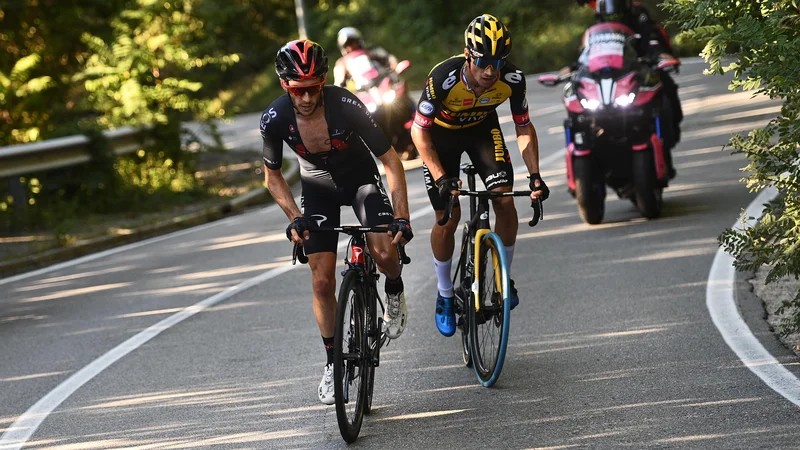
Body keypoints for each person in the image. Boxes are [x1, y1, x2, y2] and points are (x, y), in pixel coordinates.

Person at [262, 40, 413, 405]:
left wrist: (402, 217)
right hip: (318, 190)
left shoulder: (347, 105)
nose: (307, 97)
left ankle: (393, 290)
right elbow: (273, 176)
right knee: (322, 280)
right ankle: (333, 363)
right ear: (285, 85)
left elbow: (391, 162)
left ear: (324, 80)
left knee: (383, 250)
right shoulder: (275, 118)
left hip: (360, 180)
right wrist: (294, 218)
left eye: (314, 88)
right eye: (299, 90)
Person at [410, 14, 549, 337]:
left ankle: (503, 278)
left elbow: (523, 126)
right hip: (441, 138)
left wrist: (535, 176)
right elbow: (419, 133)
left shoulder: (512, 79)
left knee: (503, 201)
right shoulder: (443, 78)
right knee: (448, 216)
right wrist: (441, 175)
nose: (490, 71)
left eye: (498, 62)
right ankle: (445, 295)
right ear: (467, 55)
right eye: (483, 62)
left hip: (481, 132)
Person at [567, 0, 683, 176]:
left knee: (665, 89)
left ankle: (664, 146)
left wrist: (660, 56)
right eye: (608, 15)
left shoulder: (640, 16)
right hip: (609, 78)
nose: (613, 18)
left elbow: (653, 42)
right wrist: (573, 67)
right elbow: (585, 54)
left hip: (640, 71)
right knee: (575, 97)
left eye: (617, 15)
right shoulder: (596, 27)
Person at [333, 27, 399, 89]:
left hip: (386, 86)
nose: (350, 47)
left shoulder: (373, 51)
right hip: (362, 95)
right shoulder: (342, 63)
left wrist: (395, 67)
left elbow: (391, 60)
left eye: (352, 42)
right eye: (347, 45)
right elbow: (338, 82)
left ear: (358, 41)